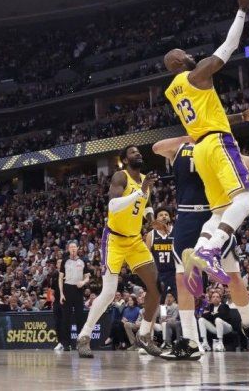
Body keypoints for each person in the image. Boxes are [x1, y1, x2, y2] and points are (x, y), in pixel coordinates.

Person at [152, 130, 249, 360]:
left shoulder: (216, 142)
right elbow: (156, 148)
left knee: (233, 277)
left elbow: (239, 159)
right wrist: (189, 138)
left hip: (217, 214)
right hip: (186, 216)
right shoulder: (180, 147)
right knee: (182, 279)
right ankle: (190, 342)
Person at [162, 0, 249, 284]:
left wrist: (241, 117)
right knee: (247, 201)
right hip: (217, 143)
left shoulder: (173, 91)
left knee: (220, 212)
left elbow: (206, 121)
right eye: (185, 54)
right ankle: (211, 249)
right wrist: (242, 9)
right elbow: (228, 47)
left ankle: (200, 249)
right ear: (178, 63)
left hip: (202, 148)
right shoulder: (195, 75)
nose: (191, 55)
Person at [76, 145, 163, 358]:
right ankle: (84, 336)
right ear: (125, 159)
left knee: (156, 287)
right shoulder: (120, 176)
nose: (138, 153)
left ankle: (144, 335)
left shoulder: (144, 180)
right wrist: (139, 191)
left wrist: (151, 220)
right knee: (108, 293)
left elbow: (147, 204)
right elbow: (113, 206)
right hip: (114, 239)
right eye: (133, 152)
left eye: (139, 151)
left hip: (134, 240)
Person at [58, 241, 90, 351]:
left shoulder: (83, 261)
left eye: (74, 247)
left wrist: (83, 282)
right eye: (71, 247)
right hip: (67, 289)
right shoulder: (65, 261)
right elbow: (60, 278)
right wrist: (61, 294)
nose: (72, 248)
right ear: (68, 249)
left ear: (77, 248)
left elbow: (87, 277)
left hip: (78, 290)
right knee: (66, 318)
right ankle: (66, 344)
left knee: (79, 318)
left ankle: (80, 343)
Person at [145, 208, 176, 302]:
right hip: (158, 273)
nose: (164, 216)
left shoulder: (176, 232)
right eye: (161, 215)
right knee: (159, 300)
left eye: (166, 215)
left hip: (174, 272)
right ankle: (161, 312)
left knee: (178, 298)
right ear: (156, 219)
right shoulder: (151, 235)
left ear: (170, 218)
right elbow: (147, 256)